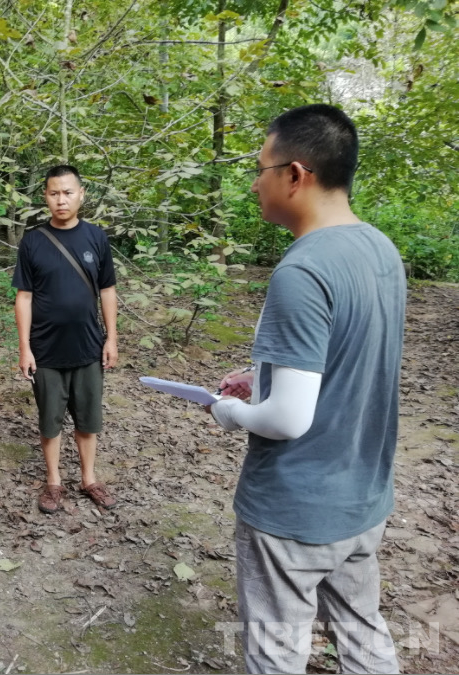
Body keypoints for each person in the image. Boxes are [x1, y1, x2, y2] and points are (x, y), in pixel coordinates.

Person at [208, 104, 404, 674]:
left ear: (295, 175)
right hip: (363, 496)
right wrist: (263, 376)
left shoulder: (302, 270)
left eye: (261, 168)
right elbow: (351, 357)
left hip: (294, 509)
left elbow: (288, 419)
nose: (255, 182)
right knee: (364, 636)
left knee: (277, 652)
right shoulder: (380, 249)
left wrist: (229, 412)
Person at [12, 165, 119, 514]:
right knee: (50, 421)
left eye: (68, 192)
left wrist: (111, 338)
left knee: (88, 420)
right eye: (54, 193)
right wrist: (25, 348)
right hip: (45, 349)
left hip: (88, 346)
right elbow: (24, 297)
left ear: (81, 194)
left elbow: (107, 290)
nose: (61, 200)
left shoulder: (96, 238)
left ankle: (89, 479)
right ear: (45, 196)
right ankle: (54, 481)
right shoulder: (33, 241)